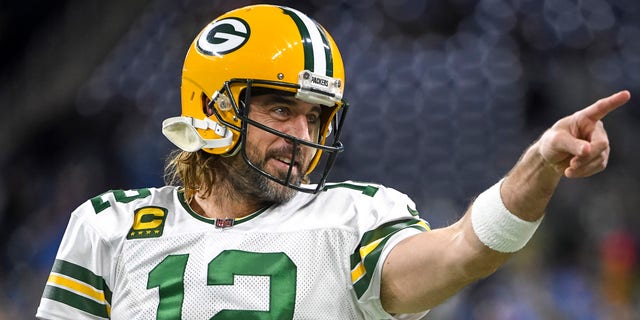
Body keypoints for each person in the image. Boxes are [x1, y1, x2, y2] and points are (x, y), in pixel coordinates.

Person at [36, 4, 631, 320]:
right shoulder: (107, 227)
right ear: (213, 107)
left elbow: (463, 251)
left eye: (317, 117)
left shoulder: (354, 218)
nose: (302, 135)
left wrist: (541, 163)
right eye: (280, 110)